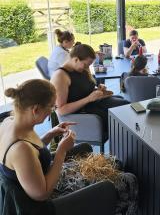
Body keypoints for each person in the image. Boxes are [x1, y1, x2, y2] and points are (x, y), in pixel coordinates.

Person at [0, 79, 138, 214]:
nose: (53, 111)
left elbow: (31, 153)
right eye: (51, 107)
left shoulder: (9, 121)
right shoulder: (21, 149)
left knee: (116, 163)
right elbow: (42, 193)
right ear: (35, 109)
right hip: (42, 206)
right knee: (128, 181)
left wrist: (49, 134)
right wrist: (61, 151)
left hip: (40, 180)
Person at [51, 43, 129, 131]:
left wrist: (98, 89)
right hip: (83, 113)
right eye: (85, 65)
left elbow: (84, 88)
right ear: (76, 59)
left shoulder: (81, 68)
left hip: (92, 104)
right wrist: (88, 99)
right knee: (121, 114)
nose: (87, 68)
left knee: (125, 105)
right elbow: (61, 110)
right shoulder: (61, 76)